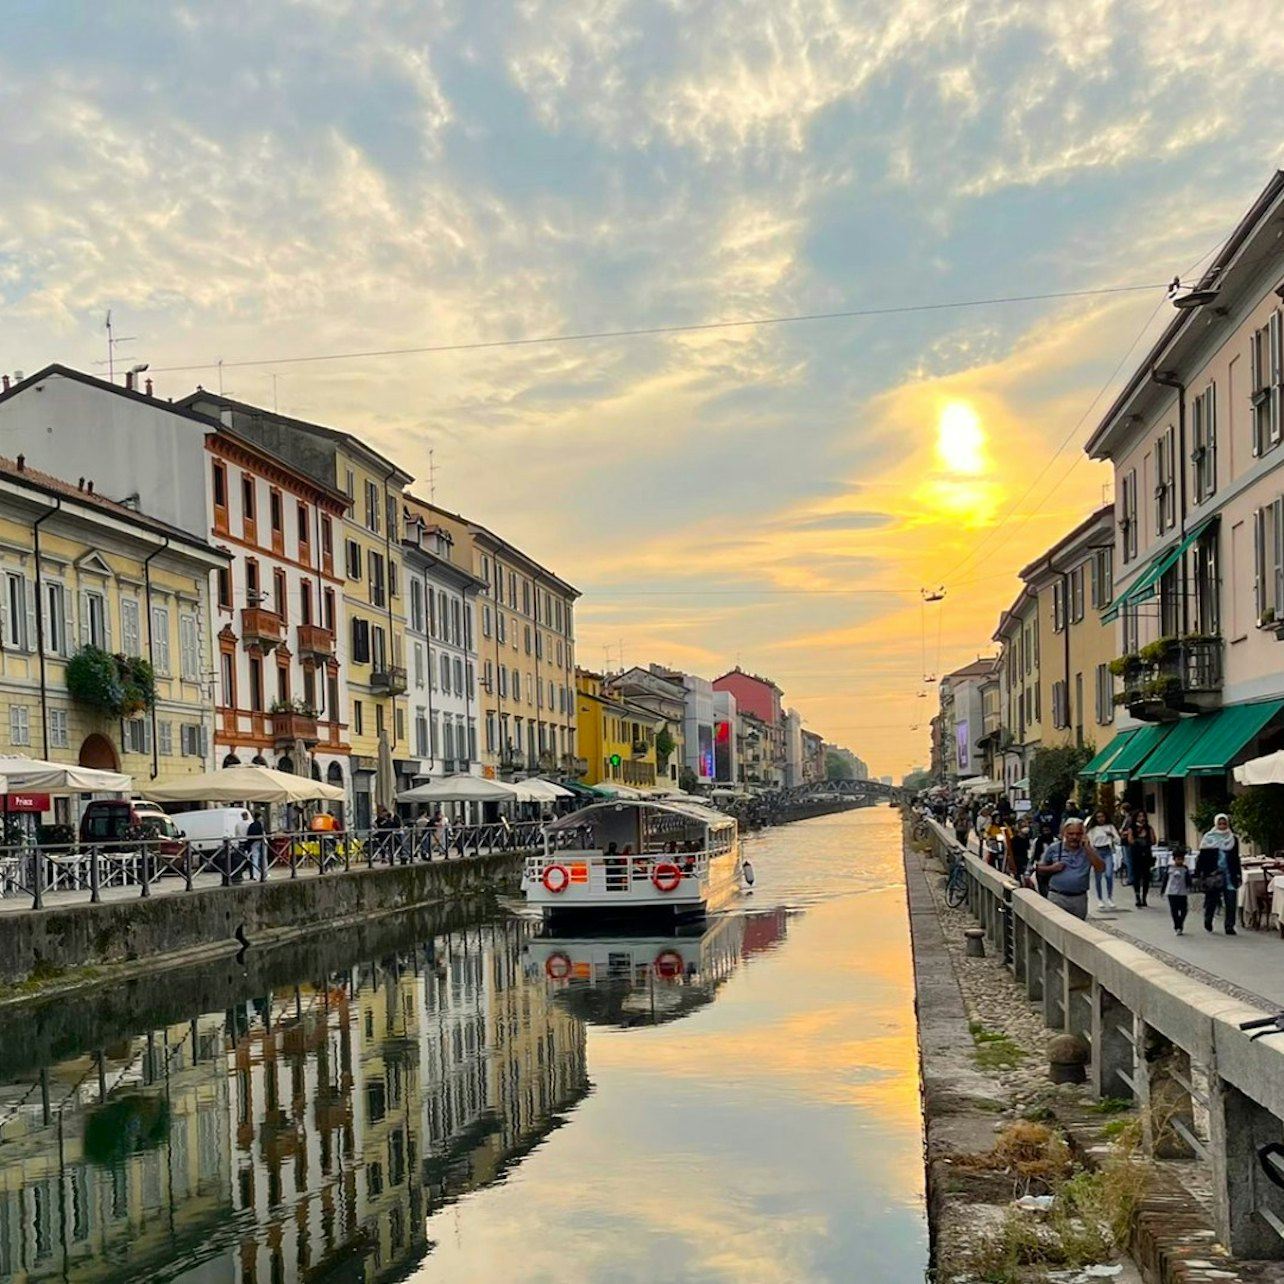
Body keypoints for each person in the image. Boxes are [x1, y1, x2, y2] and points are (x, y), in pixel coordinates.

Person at [1036, 818, 1104, 920]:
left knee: (1077, 927)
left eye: (1078, 834)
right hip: (1057, 896)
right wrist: (1052, 868)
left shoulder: (1089, 850)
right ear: (1064, 834)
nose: (1074, 837)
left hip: (1079, 899)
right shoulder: (1054, 848)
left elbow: (1100, 868)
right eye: (1071, 834)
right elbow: (1039, 868)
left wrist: (1088, 848)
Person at [1199, 812, 1241, 936]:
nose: (1222, 826)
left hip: (1229, 874)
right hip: (1214, 874)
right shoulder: (1208, 838)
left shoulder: (1232, 839)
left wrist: (1238, 873)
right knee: (1212, 900)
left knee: (1231, 900)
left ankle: (1229, 926)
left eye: (1224, 823)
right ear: (1216, 824)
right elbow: (1202, 858)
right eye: (1220, 823)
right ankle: (1208, 920)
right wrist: (1202, 873)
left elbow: (1236, 858)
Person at [1086, 810, 1121, 910]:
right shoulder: (1093, 829)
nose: (1101, 819)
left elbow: (1118, 840)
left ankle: (1109, 897)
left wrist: (1112, 835)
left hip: (1107, 851)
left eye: (1102, 816)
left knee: (1109, 875)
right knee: (1098, 877)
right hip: (1097, 851)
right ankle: (1100, 899)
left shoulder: (1110, 827)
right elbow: (1090, 842)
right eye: (1098, 817)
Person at [1122, 809, 1156, 907]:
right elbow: (1130, 841)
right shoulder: (1132, 828)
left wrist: (1147, 840)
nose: (1142, 818)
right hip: (1136, 854)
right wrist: (1138, 839)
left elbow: (1153, 841)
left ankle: (1144, 897)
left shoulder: (1149, 828)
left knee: (1146, 876)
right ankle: (1137, 897)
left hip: (1146, 854)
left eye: (1143, 816)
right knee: (1136, 876)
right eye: (1139, 816)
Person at [1164, 849, 1191, 936]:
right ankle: (1177, 926)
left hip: (1182, 892)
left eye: (1181, 859)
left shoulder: (1185, 868)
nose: (1180, 861)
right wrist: (1163, 889)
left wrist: (1189, 886)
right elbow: (1165, 879)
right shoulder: (1169, 868)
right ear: (1174, 859)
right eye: (1178, 859)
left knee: (1184, 910)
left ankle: (1180, 923)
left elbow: (1188, 879)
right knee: (1174, 910)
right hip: (1171, 892)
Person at [245, 809, 266, 882]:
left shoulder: (251, 825)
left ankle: (255, 874)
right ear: (259, 817)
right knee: (263, 858)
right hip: (260, 842)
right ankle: (264, 873)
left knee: (255, 858)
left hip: (253, 843)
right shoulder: (260, 825)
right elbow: (262, 833)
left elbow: (248, 834)